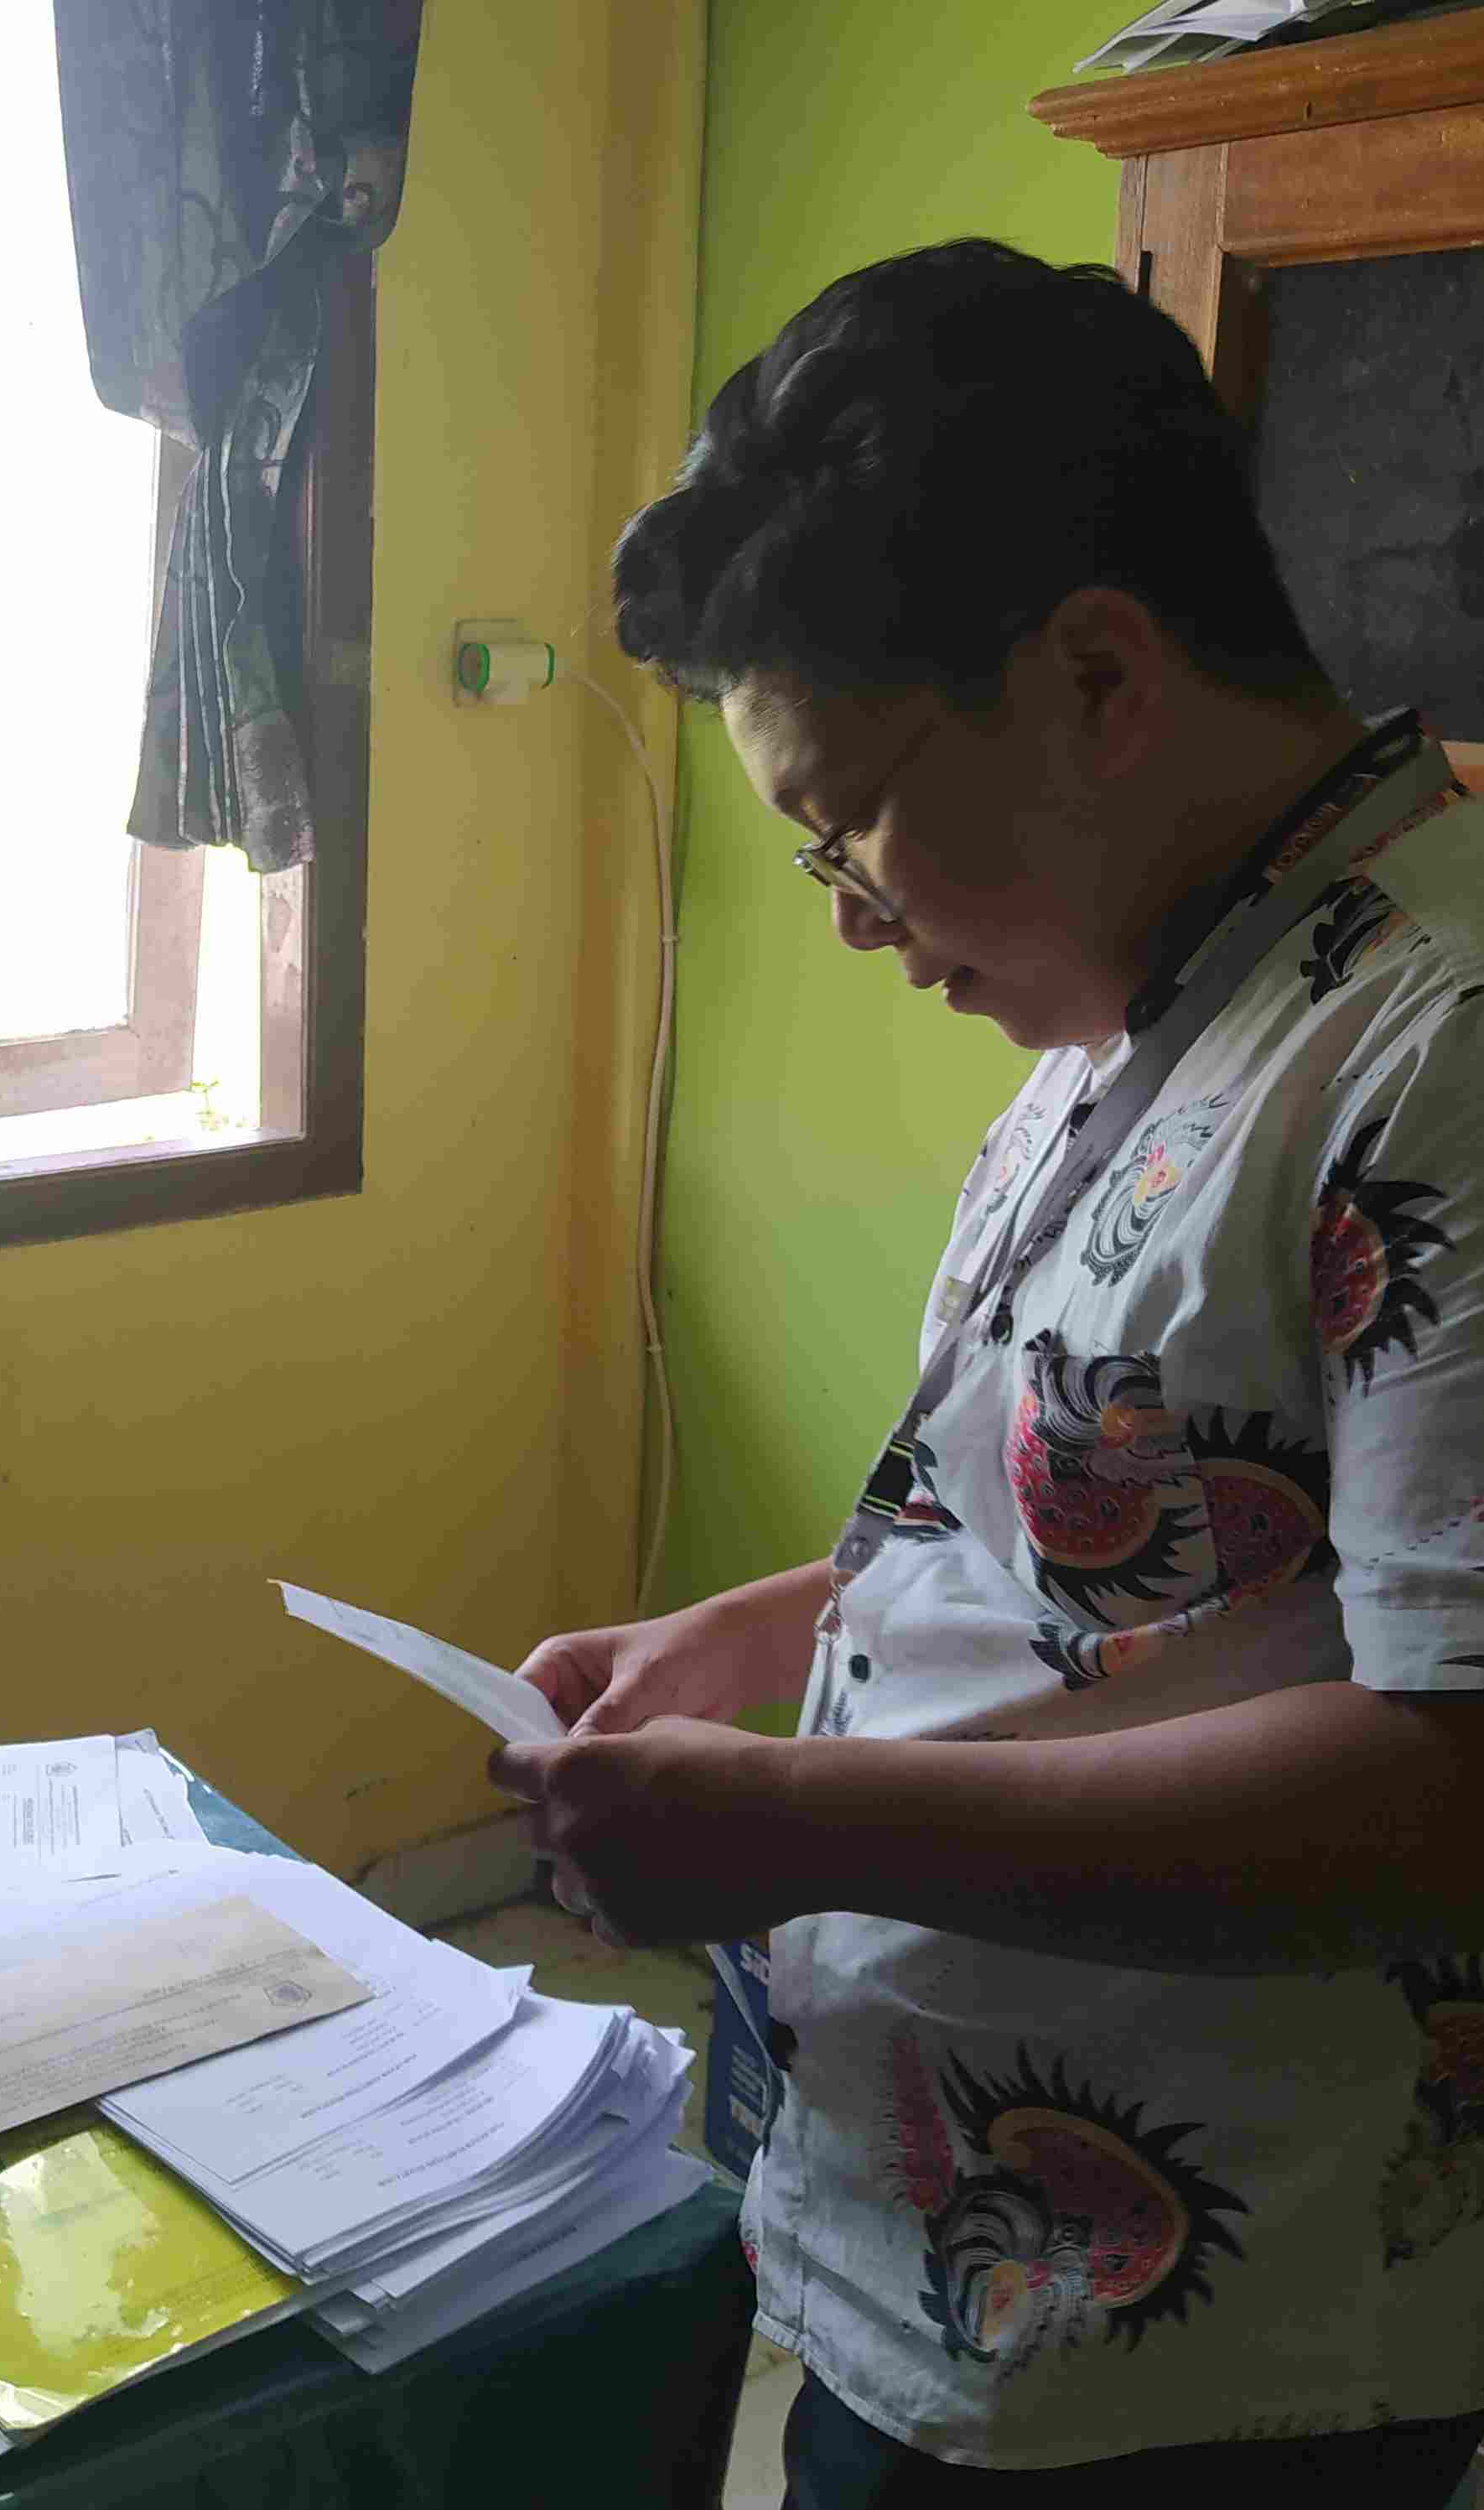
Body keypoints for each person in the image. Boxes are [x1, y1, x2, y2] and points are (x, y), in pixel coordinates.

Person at [490, 240, 1484, 2502]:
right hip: (933, 2227)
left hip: (1199, 2363)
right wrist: (753, 1637)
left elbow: (1454, 1786)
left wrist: (796, 1818)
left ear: (1096, 677)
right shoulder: (1160, 993)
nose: (845, 910)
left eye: (844, 822)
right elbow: (1098, 1556)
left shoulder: (1436, 1047)